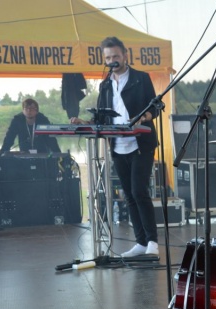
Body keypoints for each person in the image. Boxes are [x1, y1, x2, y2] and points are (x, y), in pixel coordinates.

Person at [71, 36, 159, 258]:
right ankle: (140, 242)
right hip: (118, 145)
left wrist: (144, 118)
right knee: (128, 194)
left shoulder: (141, 78)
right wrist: (85, 122)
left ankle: (152, 242)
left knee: (139, 191)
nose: (112, 61)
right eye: (108, 57)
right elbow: (102, 117)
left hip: (141, 143)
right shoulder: (105, 84)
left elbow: (155, 107)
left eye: (116, 56)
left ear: (125, 55)